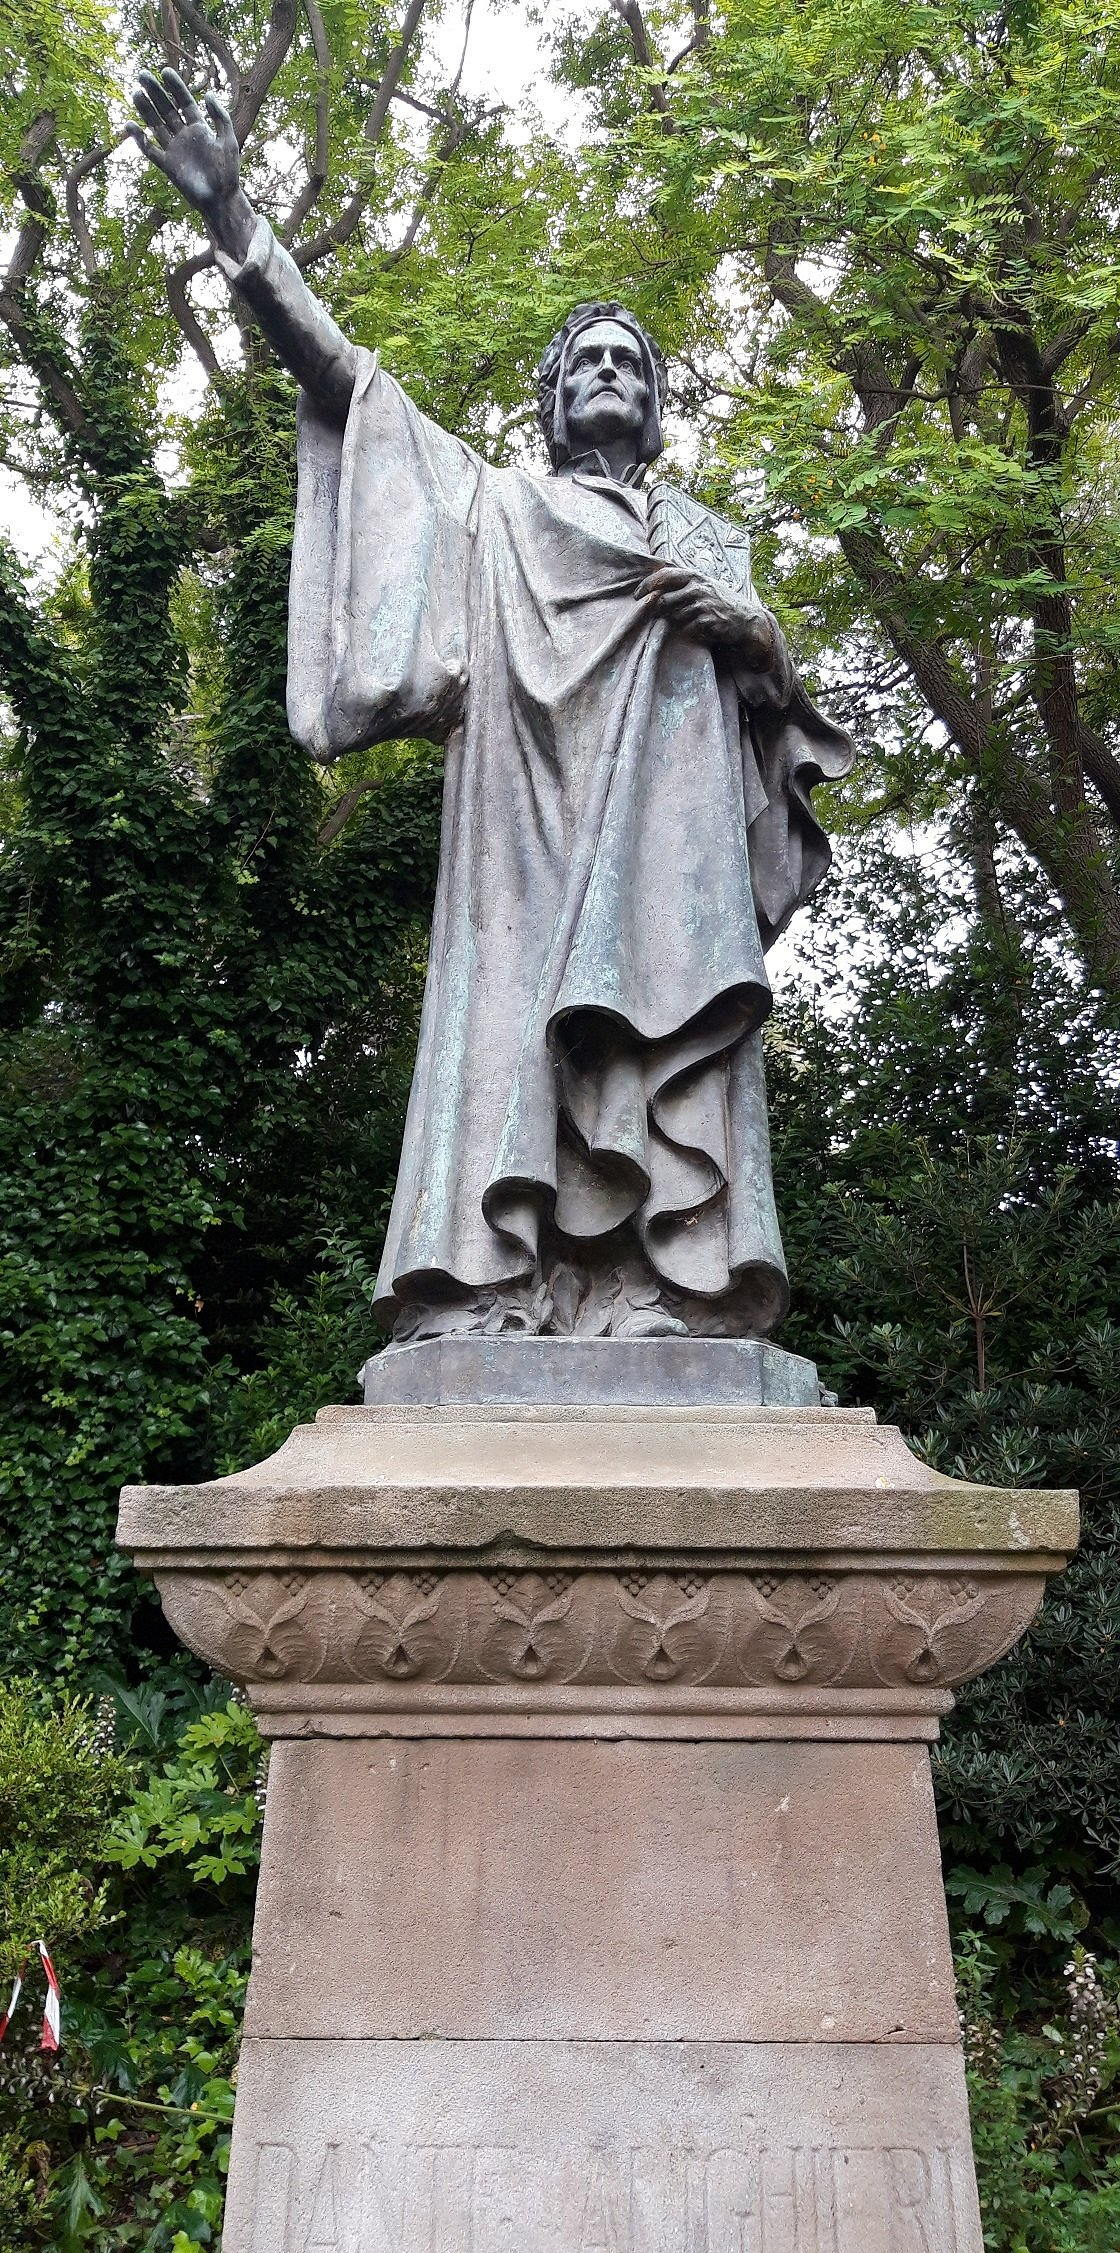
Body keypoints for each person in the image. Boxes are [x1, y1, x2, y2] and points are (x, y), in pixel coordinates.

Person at [131, 67, 851, 1344]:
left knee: (659, 1036)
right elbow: (349, 385)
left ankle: (661, 1290)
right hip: (522, 826)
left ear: (655, 407)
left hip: (663, 851)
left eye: (631, 364)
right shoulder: (493, 508)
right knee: (503, 1036)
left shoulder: (704, 535)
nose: (609, 373)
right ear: (553, 398)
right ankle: (491, 1289)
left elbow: (781, 725)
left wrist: (750, 629)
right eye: (587, 362)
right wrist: (233, 217)